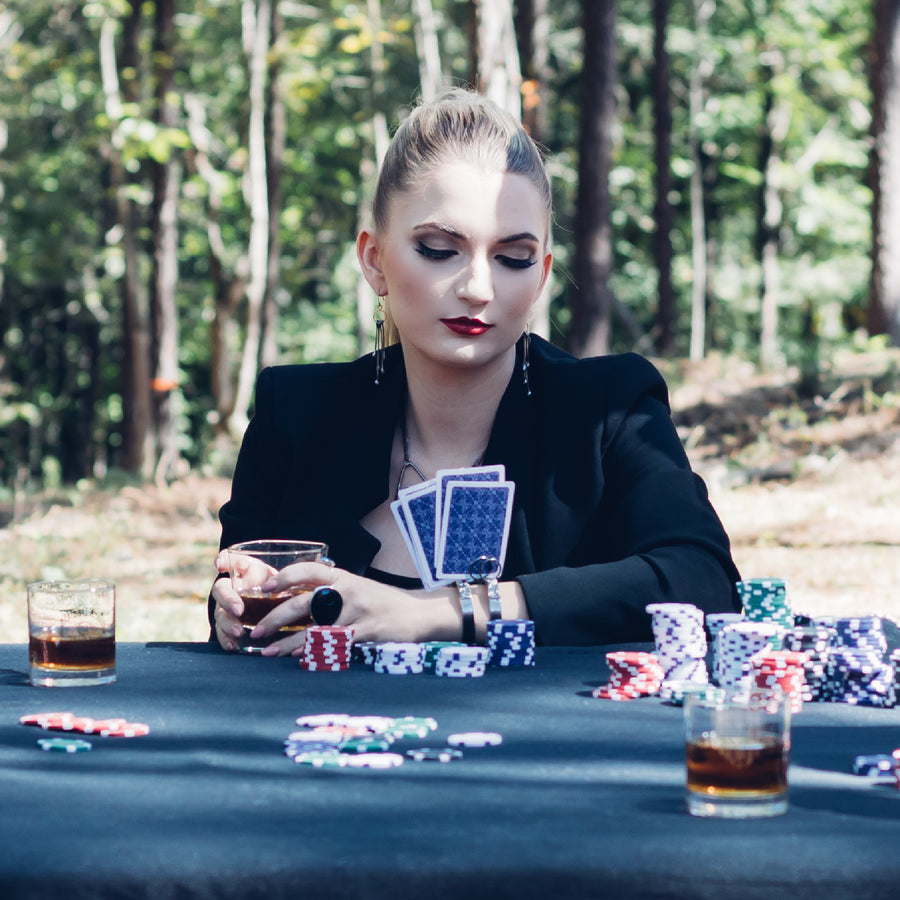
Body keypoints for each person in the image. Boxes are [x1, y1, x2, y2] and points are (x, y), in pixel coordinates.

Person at [209, 88, 740, 654]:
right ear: (373, 260)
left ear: (541, 277)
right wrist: (234, 613)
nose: (478, 288)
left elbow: (704, 582)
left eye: (513, 258)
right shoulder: (294, 413)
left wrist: (443, 611)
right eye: (439, 249)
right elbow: (241, 620)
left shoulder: (609, 406)